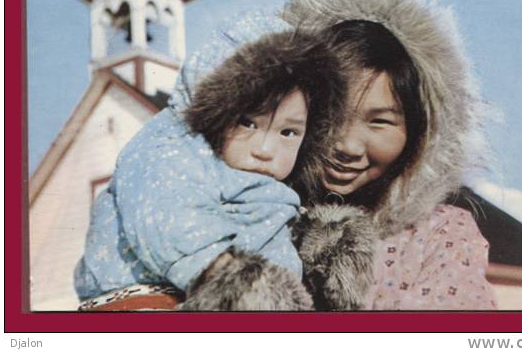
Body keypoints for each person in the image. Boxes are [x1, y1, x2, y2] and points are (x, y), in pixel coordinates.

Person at [74, 26, 347, 311]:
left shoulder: (275, 187)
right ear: (218, 112)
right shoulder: (171, 148)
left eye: (288, 132)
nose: (265, 150)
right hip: (142, 300)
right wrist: (220, 270)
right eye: (248, 123)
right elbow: (167, 212)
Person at [285, 0, 498, 310]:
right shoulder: (253, 218)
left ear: (418, 133)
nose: (348, 147)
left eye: (380, 122)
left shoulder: (439, 235)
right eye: (328, 115)